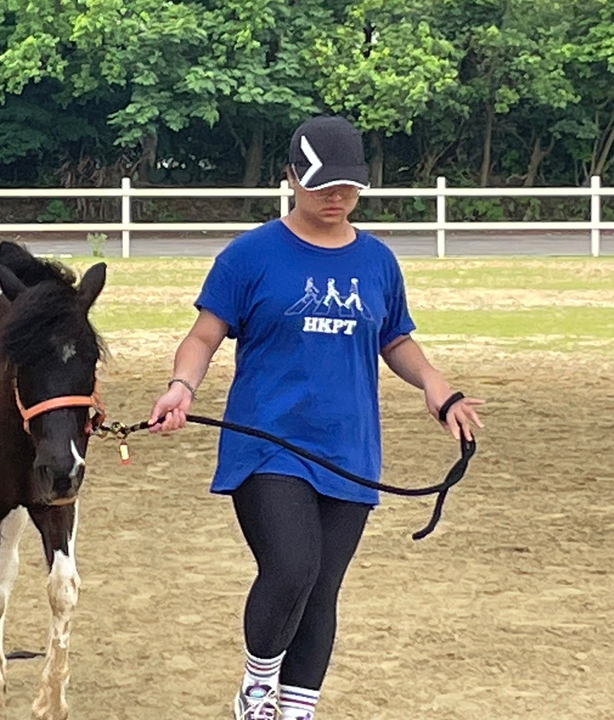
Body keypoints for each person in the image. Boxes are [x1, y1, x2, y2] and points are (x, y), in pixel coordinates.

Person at [148, 115, 484, 720]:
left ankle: (298, 708)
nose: (337, 198)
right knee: (292, 568)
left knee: (322, 588)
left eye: (348, 187)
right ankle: (258, 690)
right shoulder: (249, 256)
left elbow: (395, 339)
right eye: (323, 185)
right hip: (268, 445)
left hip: (349, 450)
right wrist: (181, 386)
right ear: (291, 178)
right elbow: (202, 338)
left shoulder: (378, 261)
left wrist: (438, 387)